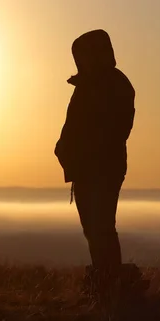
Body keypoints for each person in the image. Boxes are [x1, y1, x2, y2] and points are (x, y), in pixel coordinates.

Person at [55, 29, 141, 293]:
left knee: (100, 225)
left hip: (102, 168)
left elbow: (113, 130)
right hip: (88, 168)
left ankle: (111, 282)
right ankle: (106, 280)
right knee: (94, 227)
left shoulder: (113, 85)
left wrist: (82, 154)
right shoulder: (90, 85)